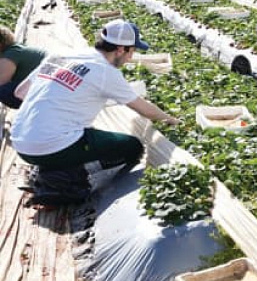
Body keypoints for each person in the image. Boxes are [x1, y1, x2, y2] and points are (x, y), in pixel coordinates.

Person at [10, 19, 181, 204]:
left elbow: (20, 92)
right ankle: (59, 179)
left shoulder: (61, 55)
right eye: (132, 51)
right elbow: (145, 110)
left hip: (20, 143)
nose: (131, 58)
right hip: (51, 147)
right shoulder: (106, 72)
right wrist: (171, 120)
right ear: (121, 49)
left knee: (77, 138)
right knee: (132, 147)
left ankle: (48, 168)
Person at [0, 25, 47, 109]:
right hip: (47, 88)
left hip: (44, 92)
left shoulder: (12, 54)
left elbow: (1, 82)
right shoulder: (18, 49)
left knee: (3, 90)